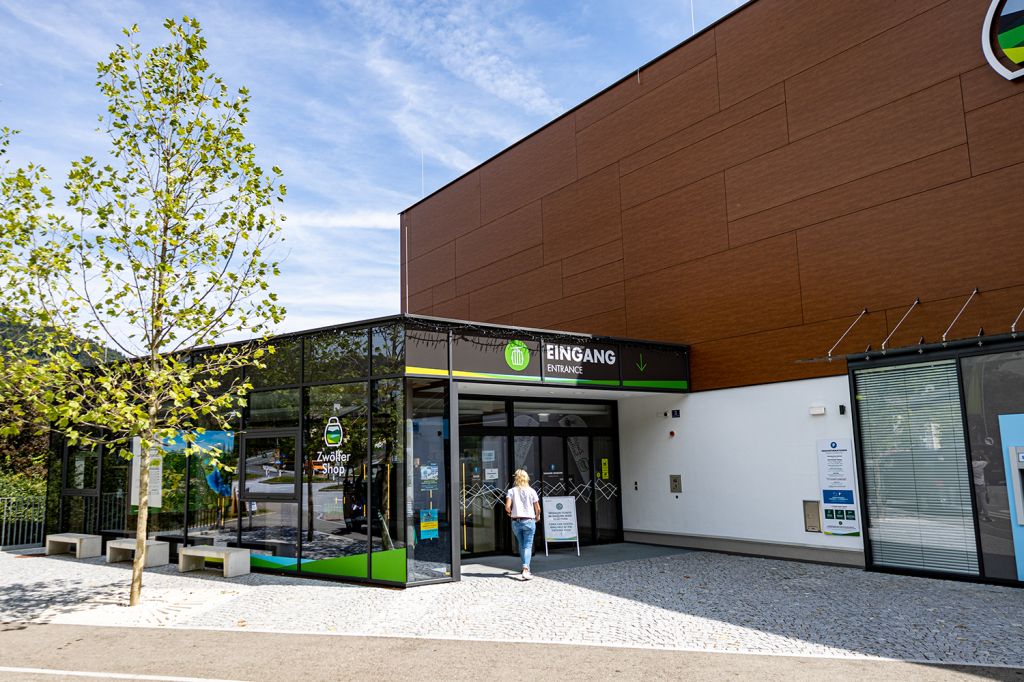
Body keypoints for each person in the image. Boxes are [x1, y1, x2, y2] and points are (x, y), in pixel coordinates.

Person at [505, 469, 541, 581]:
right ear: (526, 478)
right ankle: (526, 569)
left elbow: (507, 507)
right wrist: (537, 516)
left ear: (516, 478)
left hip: (516, 521)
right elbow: (538, 508)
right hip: (529, 521)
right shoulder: (532, 491)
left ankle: (526, 567)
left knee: (522, 544)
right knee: (527, 545)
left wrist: (511, 514)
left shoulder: (511, 491)